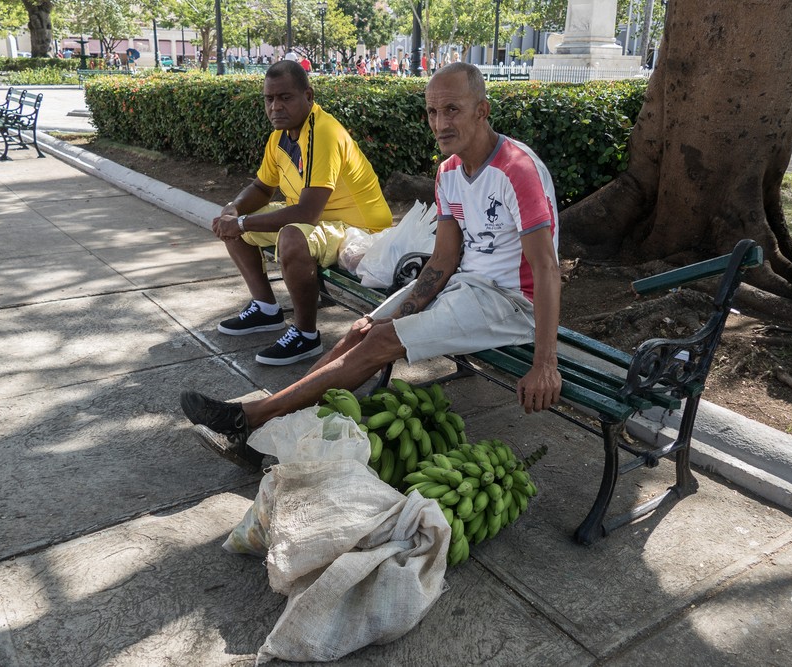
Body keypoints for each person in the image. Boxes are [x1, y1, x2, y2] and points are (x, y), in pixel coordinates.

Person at [180, 62, 563, 470]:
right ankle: (264, 437)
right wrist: (398, 313)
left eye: (452, 109)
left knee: (381, 343)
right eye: (433, 112)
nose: (440, 123)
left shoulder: (517, 170)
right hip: (465, 286)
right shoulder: (449, 172)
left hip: (512, 303)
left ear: (483, 110)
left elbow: (546, 269)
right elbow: (444, 259)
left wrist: (545, 364)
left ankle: (252, 417)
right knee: (361, 331)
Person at [205, 60, 392, 367]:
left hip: (358, 228)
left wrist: (241, 222)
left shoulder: (323, 133)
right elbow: (262, 187)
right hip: (321, 219)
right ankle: (266, 308)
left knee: (291, 236)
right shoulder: (281, 136)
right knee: (231, 225)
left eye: (285, 97)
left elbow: (305, 213)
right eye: (269, 99)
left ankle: (306, 336)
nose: (275, 106)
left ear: (309, 95)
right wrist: (234, 210)